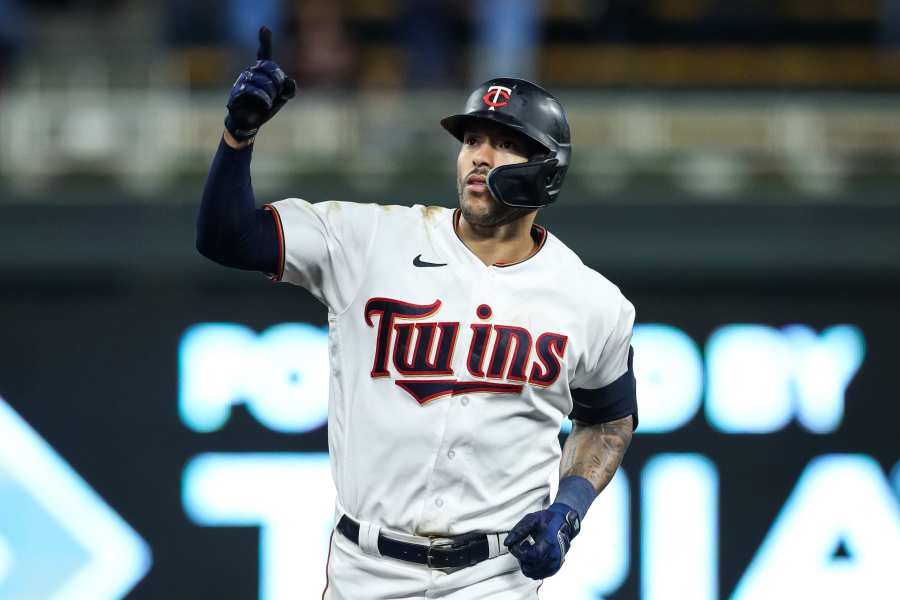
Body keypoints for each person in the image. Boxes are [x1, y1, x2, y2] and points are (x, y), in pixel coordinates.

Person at [197, 27, 638, 600]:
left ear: (547, 169)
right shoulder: (369, 238)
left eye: (504, 142)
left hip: (493, 577)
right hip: (365, 567)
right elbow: (227, 237)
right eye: (472, 138)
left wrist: (569, 508)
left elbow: (608, 419)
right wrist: (238, 137)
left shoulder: (592, 301)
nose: (480, 155)